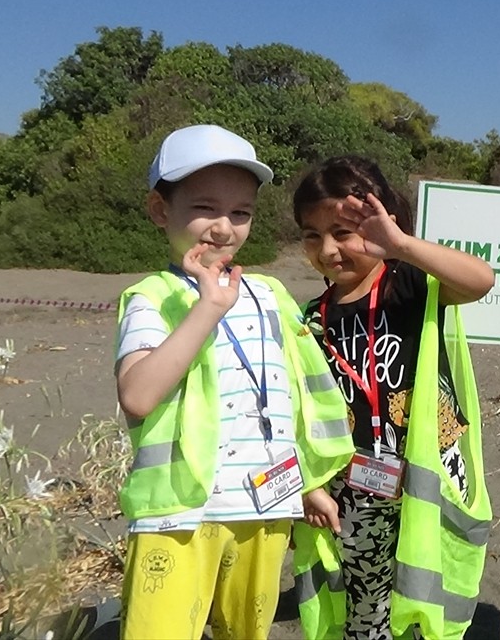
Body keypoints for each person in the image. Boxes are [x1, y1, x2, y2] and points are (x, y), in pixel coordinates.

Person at [115, 124, 354, 639]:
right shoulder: (152, 298)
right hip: (177, 516)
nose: (224, 227)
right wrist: (208, 308)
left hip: (265, 510)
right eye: (205, 207)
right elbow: (137, 395)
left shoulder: (269, 293)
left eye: (241, 212)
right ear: (160, 210)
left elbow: (291, 397)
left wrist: (309, 483)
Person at [289, 155, 495, 640]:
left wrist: (401, 245)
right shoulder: (309, 319)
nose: (328, 250)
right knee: (364, 612)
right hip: (352, 495)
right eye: (312, 236)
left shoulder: (412, 287)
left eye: (343, 233)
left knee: (424, 602)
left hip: (422, 484)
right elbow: (298, 411)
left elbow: (481, 280)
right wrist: (309, 487)